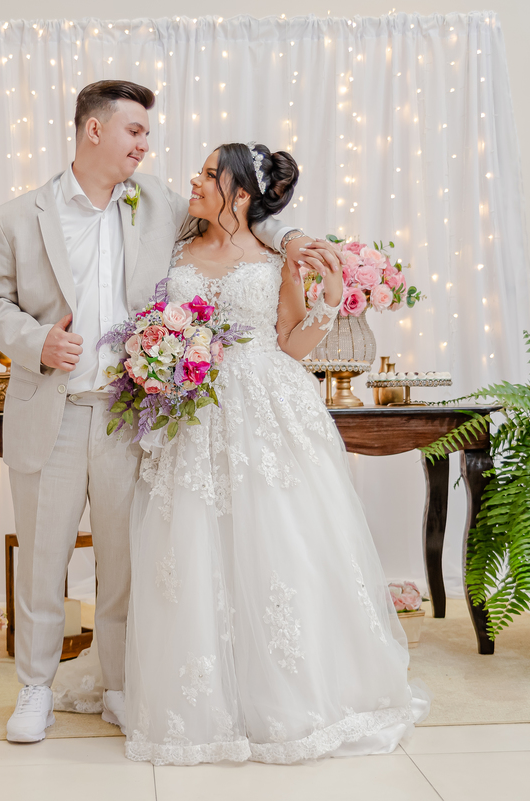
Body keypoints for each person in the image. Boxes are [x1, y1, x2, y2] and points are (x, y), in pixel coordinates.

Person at [0, 81, 335, 744]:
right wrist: (36, 341)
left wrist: (294, 234)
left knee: (124, 564)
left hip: (129, 414)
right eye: (135, 131)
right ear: (95, 131)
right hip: (50, 410)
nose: (146, 144)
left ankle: (119, 685)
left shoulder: (159, 203)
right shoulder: (15, 218)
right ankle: (35, 688)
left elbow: (240, 214)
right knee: (43, 559)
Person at [119, 143, 430, 764]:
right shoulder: (174, 249)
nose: (195, 181)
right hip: (194, 409)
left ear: (240, 194)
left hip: (265, 405)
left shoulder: (273, 259)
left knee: (277, 541)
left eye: (210, 174)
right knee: (194, 545)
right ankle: (207, 698)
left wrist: (330, 299)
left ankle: (290, 695)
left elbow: (290, 343)